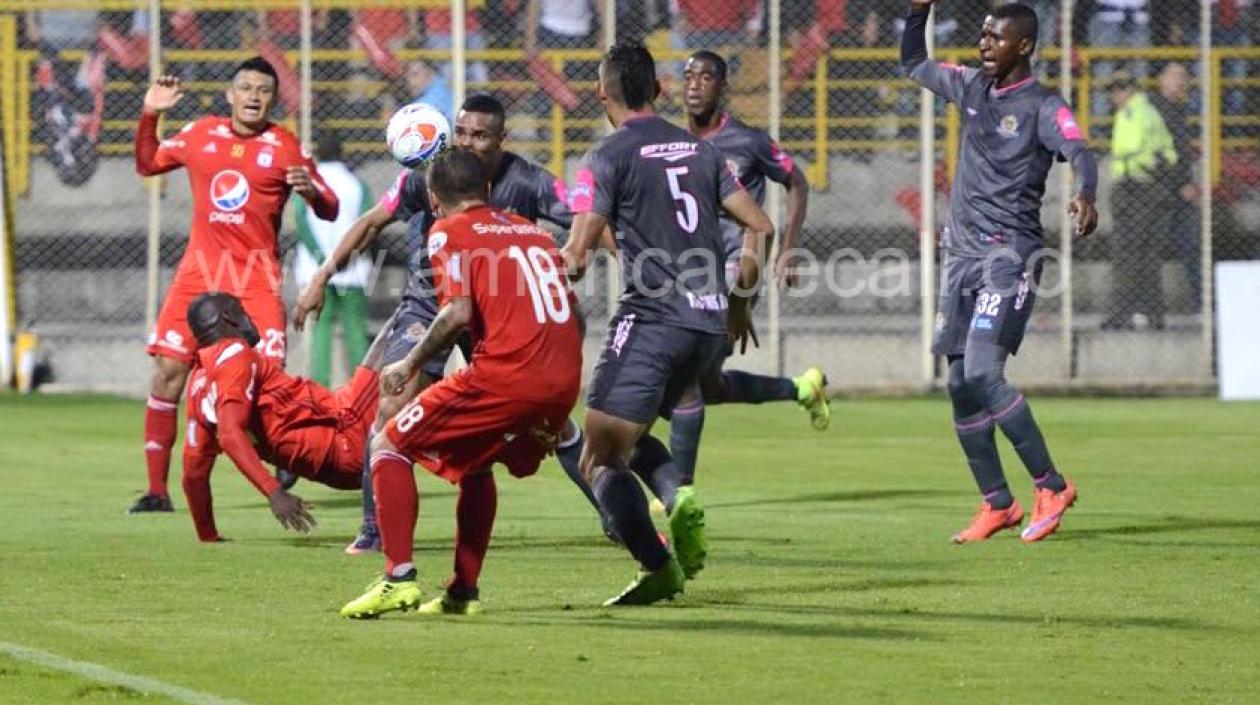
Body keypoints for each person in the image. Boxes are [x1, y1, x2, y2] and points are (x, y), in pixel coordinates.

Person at [557, 50, 829, 541]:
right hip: (711, 312)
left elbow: (576, 257)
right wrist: (740, 305)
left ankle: (666, 525)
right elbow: (760, 224)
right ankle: (683, 491)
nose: (696, 85)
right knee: (676, 404)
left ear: (601, 93)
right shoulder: (698, 150)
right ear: (662, 90)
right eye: (688, 77)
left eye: (707, 77)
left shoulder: (608, 155)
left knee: (601, 446)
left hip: (660, 312)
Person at [292, 93, 578, 555]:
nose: (466, 142)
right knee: (390, 407)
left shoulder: (530, 181)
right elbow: (371, 223)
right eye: (461, 131)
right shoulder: (429, 175)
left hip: (496, 315)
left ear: (501, 141)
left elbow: (585, 216)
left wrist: (572, 249)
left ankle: (616, 519)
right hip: (431, 306)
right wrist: (321, 276)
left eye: (480, 135)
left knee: (558, 426)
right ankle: (374, 529)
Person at [339, 150, 583, 619]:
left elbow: (456, 313)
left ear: (433, 198)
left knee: (388, 442)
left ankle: (398, 577)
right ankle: (462, 590)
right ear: (488, 190)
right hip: (564, 379)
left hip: (504, 376)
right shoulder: (528, 229)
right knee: (476, 467)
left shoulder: (446, 230)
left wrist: (409, 364)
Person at [901, 1, 1098, 543]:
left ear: (1025, 46)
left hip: (1007, 258)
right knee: (961, 384)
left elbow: (1080, 150)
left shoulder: (1042, 105)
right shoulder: (970, 87)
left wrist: (1084, 193)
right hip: (960, 256)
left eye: (995, 37)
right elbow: (914, 62)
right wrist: (917, 11)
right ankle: (997, 503)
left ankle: (1051, 485)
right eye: (982, 35)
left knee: (985, 374)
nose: (984, 44)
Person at [130, 59, 339, 514]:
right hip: (198, 276)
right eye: (245, 87)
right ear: (229, 94)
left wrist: (311, 192)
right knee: (168, 374)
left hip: (255, 283)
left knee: (265, 385)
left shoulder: (285, 147)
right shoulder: (201, 135)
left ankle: (287, 461)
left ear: (273, 99)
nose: (253, 96)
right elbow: (147, 164)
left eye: (263, 90)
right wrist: (150, 114)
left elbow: (331, 208)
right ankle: (157, 492)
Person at [181, 293, 384, 543]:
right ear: (228, 316)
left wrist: (207, 534)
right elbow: (229, 433)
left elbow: (193, 475)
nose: (247, 316)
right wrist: (274, 491)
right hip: (346, 428)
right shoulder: (234, 353)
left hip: (336, 472)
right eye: (240, 309)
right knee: (399, 338)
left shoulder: (197, 385)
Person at [292, 135, 373, 387]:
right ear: (342, 153)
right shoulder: (357, 185)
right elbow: (368, 225)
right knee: (356, 331)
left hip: (315, 271)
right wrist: (343, 259)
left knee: (320, 330)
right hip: (353, 270)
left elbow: (300, 221)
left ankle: (319, 387)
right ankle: (361, 387)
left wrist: (322, 259)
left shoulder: (312, 184)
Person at [1102, 71, 1178, 331]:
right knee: (1147, 255)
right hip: (1148, 187)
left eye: (1118, 89)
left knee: (1127, 254)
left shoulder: (1133, 113)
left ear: (1129, 90)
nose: (1114, 95)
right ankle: (1152, 313)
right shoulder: (1150, 111)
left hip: (1135, 188)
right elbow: (1167, 152)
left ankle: (1121, 313)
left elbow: (1130, 148)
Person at [1148, 63, 1200, 313]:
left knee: (1193, 246)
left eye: (1184, 77)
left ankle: (1202, 302)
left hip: (1179, 189)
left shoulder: (1179, 109)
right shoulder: (1153, 110)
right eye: (1176, 76)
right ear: (1161, 79)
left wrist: (1186, 182)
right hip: (1160, 191)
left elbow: (1181, 153)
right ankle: (1150, 306)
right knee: (1151, 249)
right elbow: (1158, 155)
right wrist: (1180, 184)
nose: (1181, 82)